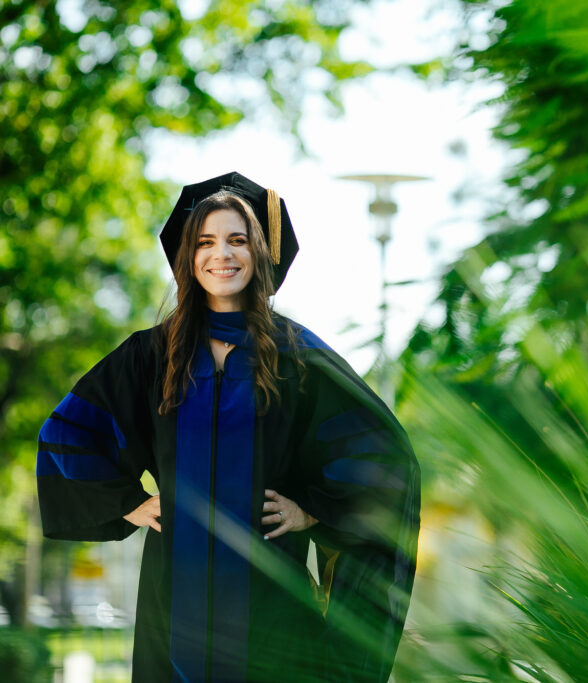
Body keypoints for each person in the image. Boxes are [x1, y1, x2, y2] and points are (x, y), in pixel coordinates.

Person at [36, 172, 420, 682]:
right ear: (188, 258)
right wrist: (126, 502)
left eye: (238, 240)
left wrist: (312, 512)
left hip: (274, 602)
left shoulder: (297, 358)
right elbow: (70, 433)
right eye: (206, 242)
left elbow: (384, 459)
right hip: (174, 601)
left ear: (261, 253)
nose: (223, 255)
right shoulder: (151, 356)